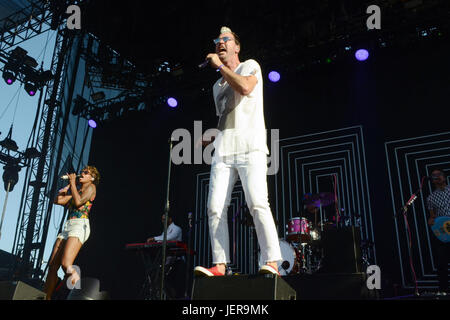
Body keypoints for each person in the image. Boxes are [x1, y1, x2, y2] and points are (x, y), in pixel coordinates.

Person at [194, 26, 282, 277]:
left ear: (237, 47)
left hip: (250, 147)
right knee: (214, 207)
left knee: (256, 202)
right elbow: (226, 118)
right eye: (217, 40)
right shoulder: (215, 87)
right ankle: (220, 265)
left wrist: (221, 68)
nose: (220, 43)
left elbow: (245, 88)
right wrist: (212, 136)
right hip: (223, 151)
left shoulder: (250, 66)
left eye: (226, 39)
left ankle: (272, 261)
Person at [44, 166, 100, 300]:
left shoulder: (91, 187)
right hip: (68, 226)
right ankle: (47, 297)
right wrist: (63, 192)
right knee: (52, 265)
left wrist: (73, 184)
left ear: (92, 178)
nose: (82, 174)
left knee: (66, 264)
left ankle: (79, 293)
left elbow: (79, 202)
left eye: (86, 173)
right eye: (82, 172)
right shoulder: (77, 190)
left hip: (80, 225)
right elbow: (57, 201)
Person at [426, 168, 450, 296]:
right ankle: (444, 290)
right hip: (445, 234)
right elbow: (433, 216)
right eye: (434, 176)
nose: (437, 177)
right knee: (441, 262)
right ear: (432, 180)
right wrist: (431, 219)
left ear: (444, 177)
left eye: (439, 174)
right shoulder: (430, 198)